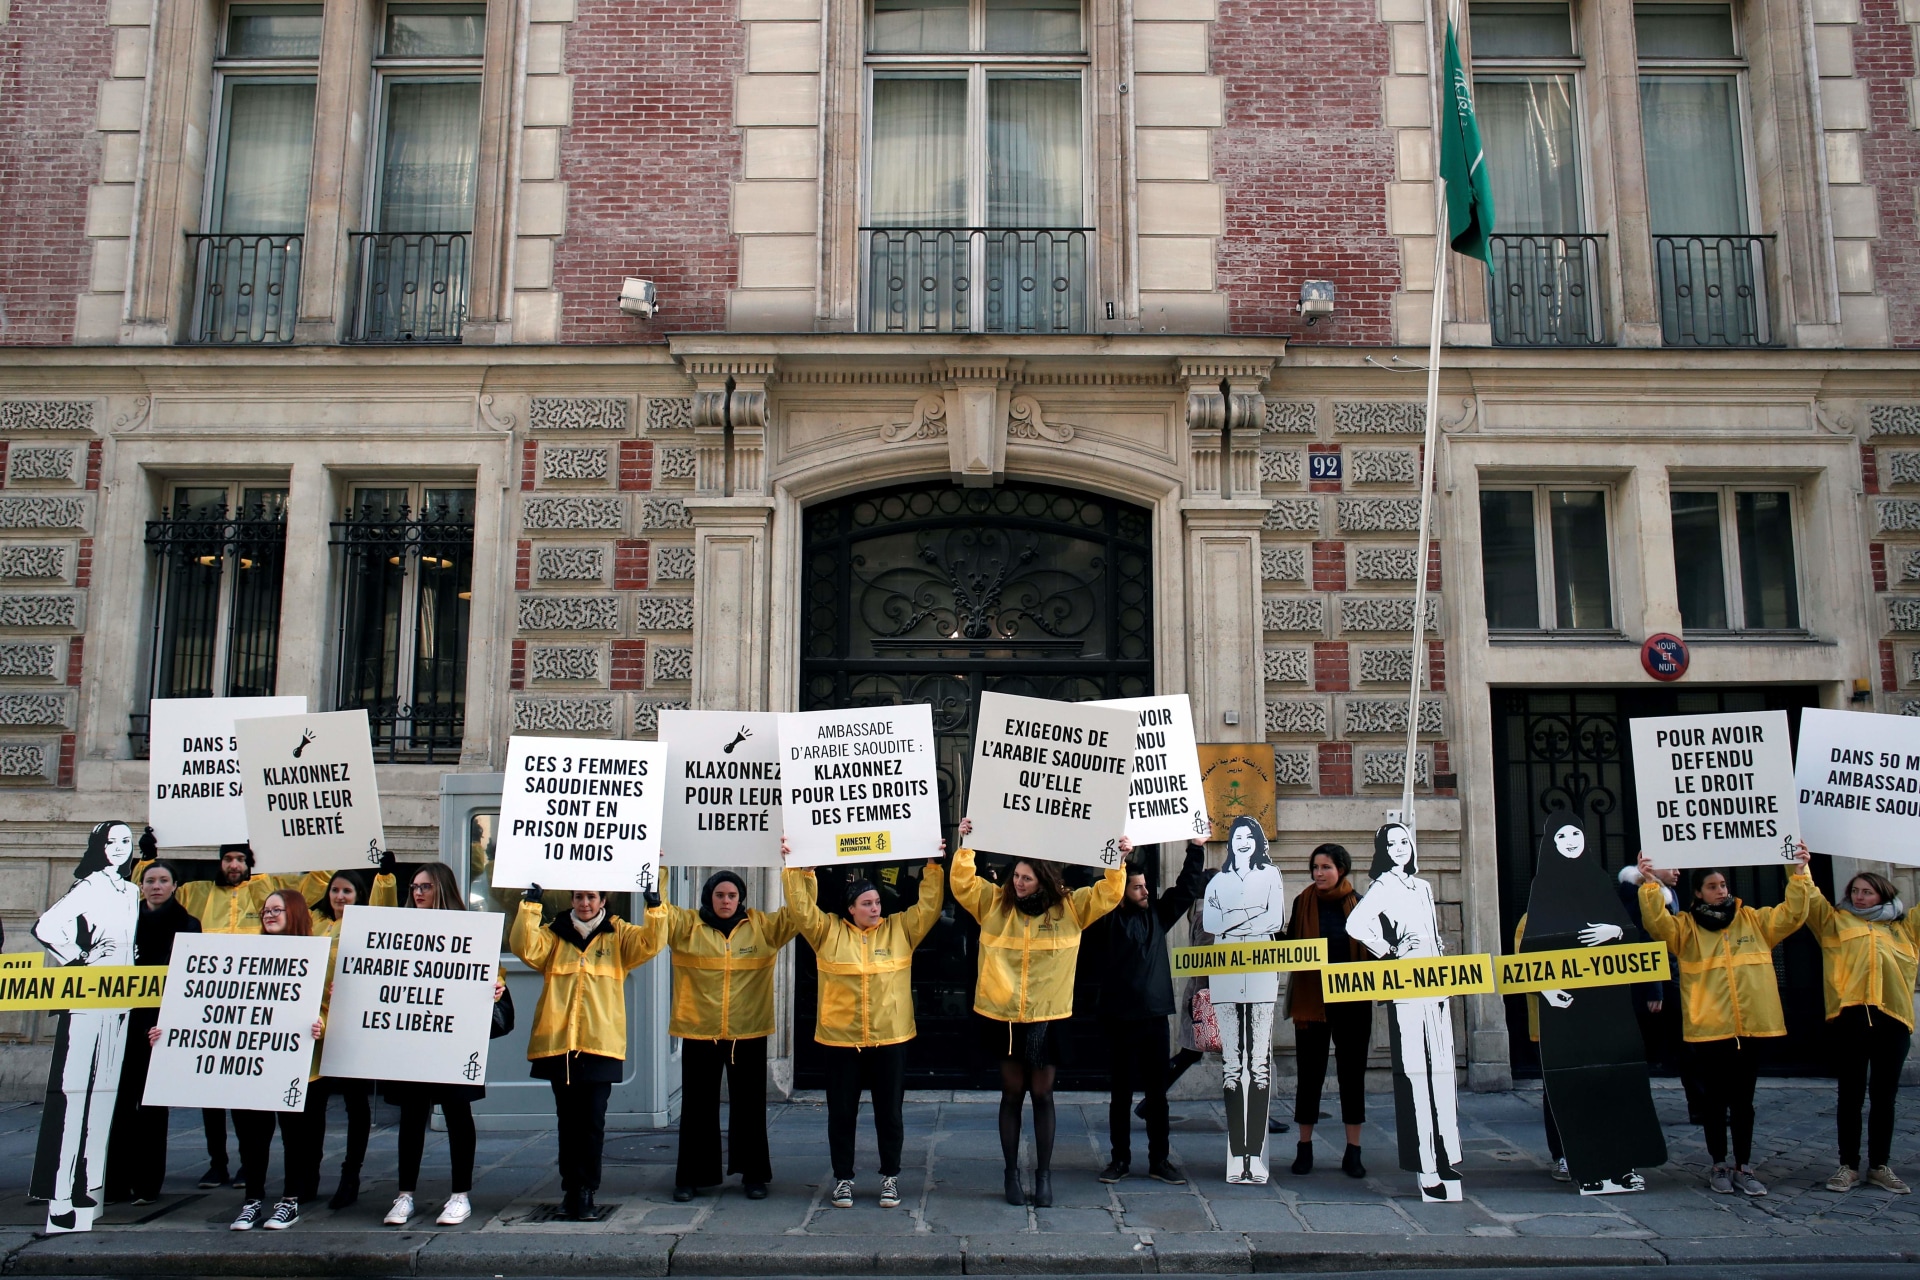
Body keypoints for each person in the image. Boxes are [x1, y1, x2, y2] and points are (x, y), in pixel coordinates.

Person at [952, 816, 1127, 1207]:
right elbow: (962, 884)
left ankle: (1043, 1177)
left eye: (1027, 879)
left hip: (1048, 1016)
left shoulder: (1070, 907)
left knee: (1043, 1094)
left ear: (1043, 880)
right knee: (1011, 1093)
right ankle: (1011, 1174)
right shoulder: (994, 903)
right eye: (1016, 876)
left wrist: (1117, 859)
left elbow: (1108, 893)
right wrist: (966, 845)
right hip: (1004, 1016)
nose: (1018, 883)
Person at [138, 843, 330, 1191]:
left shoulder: (270, 894)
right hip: (222, 1017)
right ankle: (221, 1166)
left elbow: (316, 885)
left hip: (278, 1034)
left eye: (241, 859)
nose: (234, 865)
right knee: (217, 1100)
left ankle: (281, 1181)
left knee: (282, 1118)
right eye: (228, 859)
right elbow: (154, 891)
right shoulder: (197, 893)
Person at [781, 834, 946, 1211]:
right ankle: (843, 1179)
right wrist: (797, 867)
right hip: (842, 1041)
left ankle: (890, 1177)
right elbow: (801, 908)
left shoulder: (900, 929)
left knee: (890, 1113)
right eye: (867, 904)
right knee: (842, 1114)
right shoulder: (827, 933)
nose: (876, 909)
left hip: (890, 1038)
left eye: (877, 902)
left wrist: (933, 867)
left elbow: (930, 906)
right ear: (850, 909)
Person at [1636, 846, 1813, 1197]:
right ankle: (1718, 1163)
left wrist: (1799, 872)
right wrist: (1650, 883)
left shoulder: (1754, 921)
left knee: (1744, 1101)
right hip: (1710, 1026)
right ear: (1698, 893)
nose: (1721, 890)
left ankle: (1744, 1166)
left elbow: (1793, 914)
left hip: (1749, 1026)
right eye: (1713, 886)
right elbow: (1657, 925)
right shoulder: (1685, 928)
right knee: (1714, 1102)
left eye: (1723, 885)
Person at [1521, 813, 1664, 1195]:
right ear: (1552, 842)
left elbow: (1634, 936)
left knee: (1616, 1080)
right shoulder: (1544, 887)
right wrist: (1548, 991)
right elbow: (1527, 955)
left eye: (1575, 833)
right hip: (1567, 1011)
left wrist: (1613, 930)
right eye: (1562, 835)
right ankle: (1588, 1163)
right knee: (1578, 1084)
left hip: (1608, 1004)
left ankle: (1624, 1164)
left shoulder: (1601, 882)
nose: (1570, 839)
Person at [512, 881, 664, 1221]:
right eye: (578, 896)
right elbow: (524, 947)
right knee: (568, 1120)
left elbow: (651, 944)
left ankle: (587, 1190)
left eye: (591, 897)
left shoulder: (618, 934)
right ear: (571, 899)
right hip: (560, 1044)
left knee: (593, 1121)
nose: (584, 903)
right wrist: (530, 906)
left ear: (603, 900)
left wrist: (654, 907)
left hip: (600, 1043)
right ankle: (571, 1189)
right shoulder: (554, 933)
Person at [651, 870, 802, 1202]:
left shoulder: (762, 926)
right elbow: (658, 909)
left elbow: (799, 913)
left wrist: (800, 872)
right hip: (699, 1030)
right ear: (709, 896)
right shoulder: (686, 925)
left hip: (747, 1031)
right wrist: (659, 867)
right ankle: (692, 1177)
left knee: (750, 1107)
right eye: (720, 895)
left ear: (741, 899)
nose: (726, 901)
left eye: (732, 896)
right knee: (697, 1108)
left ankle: (753, 1176)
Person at [379, 861, 509, 1228]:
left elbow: (488, 969)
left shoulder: (469, 927)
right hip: (414, 1036)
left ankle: (459, 1195)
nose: (417, 892)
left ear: (442, 888)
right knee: (411, 1115)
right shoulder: (401, 926)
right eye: (414, 887)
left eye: (425, 886)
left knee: (456, 1113)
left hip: (454, 1034)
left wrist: (496, 985)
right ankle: (404, 1194)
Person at [31, 820, 140, 1232]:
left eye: (125, 842)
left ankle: (86, 1185)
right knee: (73, 1092)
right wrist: (78, 958)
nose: (118, 848)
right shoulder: (89, 886)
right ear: (99, 846)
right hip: (87, 997)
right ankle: (60, 1193)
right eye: (111, 842)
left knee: (104, 1095)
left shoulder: (130, 891)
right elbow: (47, 926)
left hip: (120, 999)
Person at [1347, 821, 1463, 1202]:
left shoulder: (1424, 886)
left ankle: (1447, 1155)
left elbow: (1428, 930)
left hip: (1436, 982)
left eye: (1405, 842)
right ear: (1383, 850)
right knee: (1415, 1073)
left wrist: (1437, 946)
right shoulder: (1383, 887)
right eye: (1392, 843)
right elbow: (1356, 923)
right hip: (1406, 984)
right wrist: (1389, 949)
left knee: (1442, 1071)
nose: (1400, 848)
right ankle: (1426, 1165)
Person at [1092, 839, 1205, 1186]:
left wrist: (1196, 847)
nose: (1144, 891)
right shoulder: (1105, 920)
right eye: (1137, 887)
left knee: (1157, 1095)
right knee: (1121, 1095)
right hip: (1118, 1018)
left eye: (1145, 886)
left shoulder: (1157, 914)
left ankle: (1160, 1160)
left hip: (1154, 1017)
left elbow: (1187, 886)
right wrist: (1118, 861)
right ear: (1122, 891)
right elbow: (1100, 892)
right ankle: (1119, 1159)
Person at [1803, 867, 1917, 1194]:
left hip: (1892, 1020)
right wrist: (1799, 868)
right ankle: (1848, 1166)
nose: (1859, 896)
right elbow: (1810, 899)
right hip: (1850, 1020)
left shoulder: (1904, 929)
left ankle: (1880, 1166)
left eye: (1866, 891)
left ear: (1883, 893)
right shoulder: (1835, 922)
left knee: (1885, 1098)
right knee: (1849, 1097)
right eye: (1855, 891)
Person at [219, 890, 327, 1230]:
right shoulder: (246, 952)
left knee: (295, 1136)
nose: (268, 915)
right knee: (252, 1135)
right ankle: (252, 1200)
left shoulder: (316, 955)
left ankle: (290, 1200)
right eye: (265, 910)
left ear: (293, 912)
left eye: (277, 909)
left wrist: (324, 1023)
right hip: (253, 1060)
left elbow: (328, 1003)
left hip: (298, 1064)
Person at [104, 859, 201, 1205]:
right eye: (150, 880)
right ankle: (115, 1181)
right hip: (121, 1023)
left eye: (163, 880)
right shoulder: (122, 925)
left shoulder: (188, 925)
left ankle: (147, 1183)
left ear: (175, 886)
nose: (156, 886)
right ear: (141, 886)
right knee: (119, 1103)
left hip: (159, 1026)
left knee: (152, 1106)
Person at [304, 857, 398, 1210]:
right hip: (314, 1027)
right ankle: (307, 1174)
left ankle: (350, 1174)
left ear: (360, 895)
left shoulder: (365, 925)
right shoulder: (314, 923)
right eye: (335, 890)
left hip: (352, 1026)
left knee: (355, 1104)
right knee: (312, 1105)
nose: (340, 896)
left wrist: (385, 877)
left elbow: (384, 909)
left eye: (347, 891)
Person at [1202, 816, 1288, 1186]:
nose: (1242, 842)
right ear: (1230, 843)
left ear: (1257, 843)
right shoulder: (1217, 882)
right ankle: (1238, 1154)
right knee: (1232, 1064)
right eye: (1236, 836)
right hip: (1225, 969)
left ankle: (1257, 1151)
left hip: (1262, 968)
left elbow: (1275, 918)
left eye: (1248, 836)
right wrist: (1251, 917)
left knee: (1260, 1062)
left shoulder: (1271, 876)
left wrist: (1235, 918)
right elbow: (1210, 923)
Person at [1283, 842, 1369, 1179]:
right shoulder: (1302, 902)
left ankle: (1353, 1151)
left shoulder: (1360, 904)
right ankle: (1304, 1148)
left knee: (1352, 1073)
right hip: (1312, 1002)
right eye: (1315, 867)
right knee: (1309, 1073)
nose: (1319, 873)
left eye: (1326, 867)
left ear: (1342, 870)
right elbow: (1291, 945)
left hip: (1353, 1002)